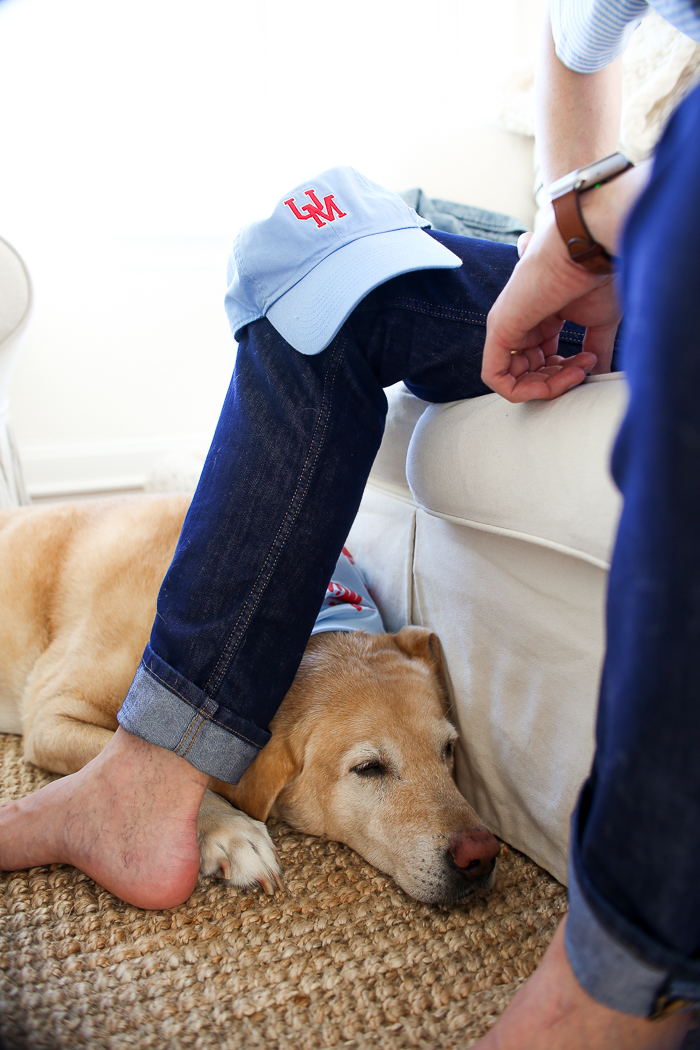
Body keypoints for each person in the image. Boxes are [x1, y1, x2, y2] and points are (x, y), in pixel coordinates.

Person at [2, 1, 700, 1046]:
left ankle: (620, 978)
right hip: (631, 240)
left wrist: (604, 225)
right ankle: (149, 776)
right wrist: (567, 228)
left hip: (666, 233)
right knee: (309, 245)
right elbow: (575, 40)